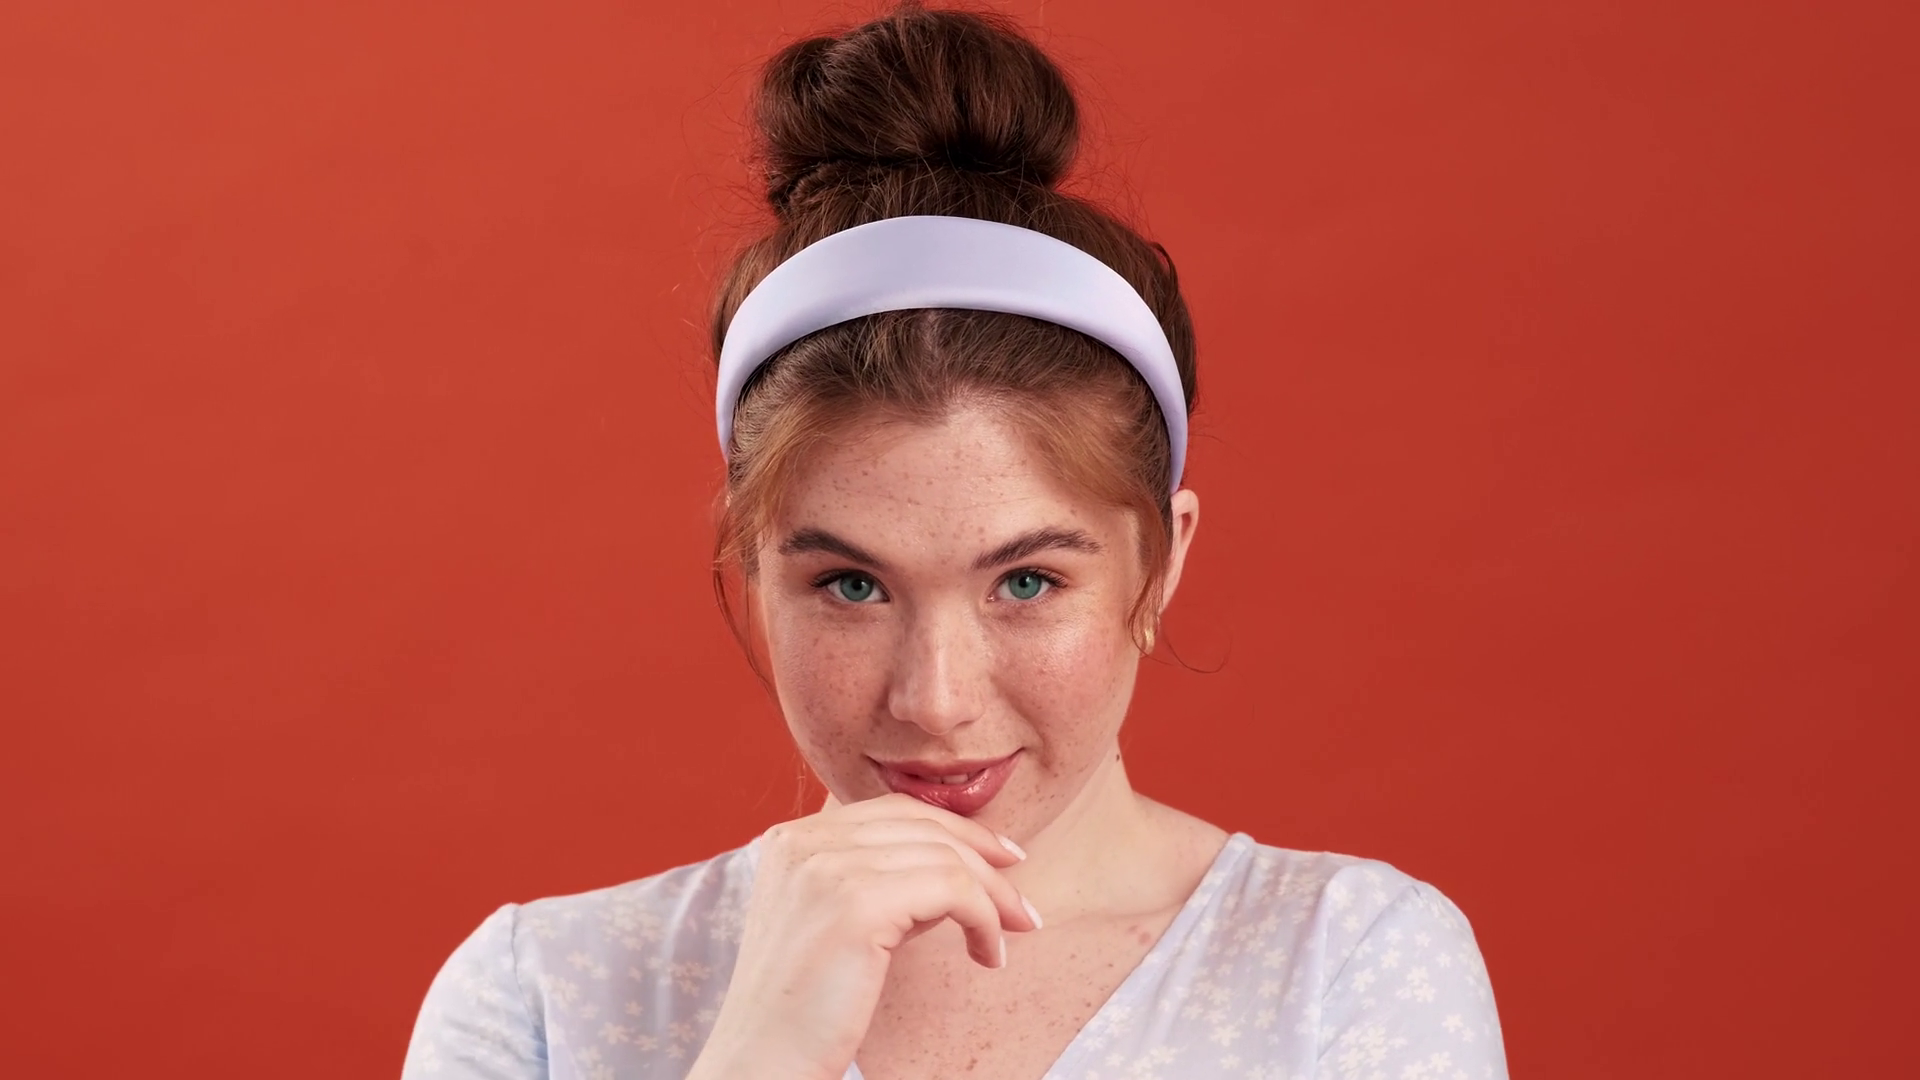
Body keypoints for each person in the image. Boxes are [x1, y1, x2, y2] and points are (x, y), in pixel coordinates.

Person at [400, 5, 1508, 1078]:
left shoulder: (1348, 969)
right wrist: (759, 1055)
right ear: (752, 568)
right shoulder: (543, 995)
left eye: (1026, 581)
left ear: (1162, 562)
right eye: (851, 585)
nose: (935, 703)